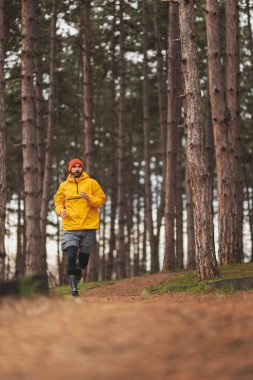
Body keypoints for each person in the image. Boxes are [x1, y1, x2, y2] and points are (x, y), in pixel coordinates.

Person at [54, 158, 106, 296]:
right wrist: (60, 211)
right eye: (74, 167)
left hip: (88, 227)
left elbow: (101, 200)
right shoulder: (64, 185)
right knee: (71, 255)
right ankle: (74, 290)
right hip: (70, 227)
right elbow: (58, 202)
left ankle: (78, 270)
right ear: (70, 169)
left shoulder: (92, 183)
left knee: (83, 262)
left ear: (82, 168)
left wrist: (89, 198)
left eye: (79, 166)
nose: (77, 169)